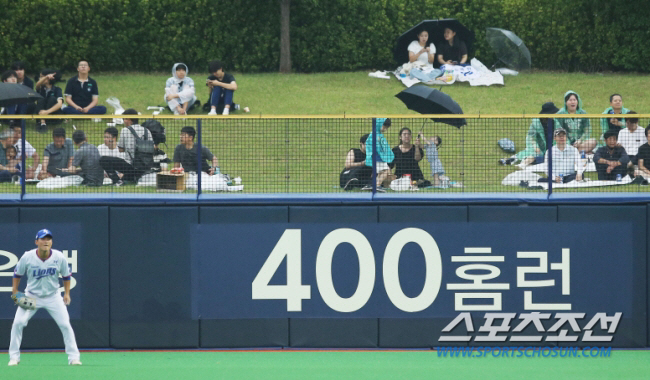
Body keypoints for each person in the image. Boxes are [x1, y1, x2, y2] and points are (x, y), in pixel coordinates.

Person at [8, 229, 81, 366]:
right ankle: (14, 357)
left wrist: (67, 293)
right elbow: (17, 274)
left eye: (48, 239)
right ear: (37, 242)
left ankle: (74, 358)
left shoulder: (59, 257)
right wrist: (15, 291)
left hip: (53, 296)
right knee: (18, 323)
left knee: (65, 325)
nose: (46, 241)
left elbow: (66, 276)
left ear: (51, 242)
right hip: (31, 296)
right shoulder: (28, 256)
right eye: (43, 239)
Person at [101, 109, 151, 185]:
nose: (123, 121)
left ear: (129, 119)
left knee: (103, 159)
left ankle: (117, 181)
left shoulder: (125, 130)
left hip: (131, 167)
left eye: (124, 119)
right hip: (145, 167)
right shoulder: (147, 131)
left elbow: (121, 149)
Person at [501, 102, 559, 167]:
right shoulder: (536, 122)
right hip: (540, 148)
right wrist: (535, 146)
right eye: (553, 113)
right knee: (531, 153)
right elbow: (531, 137)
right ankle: (512, 159)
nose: (555, 114)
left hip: (554, 148)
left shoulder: (557, 121)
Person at [363, 118, 394, 191]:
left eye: (387, 128)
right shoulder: (375, 135)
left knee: (379, 172)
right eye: (384, 126)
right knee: (386, 170)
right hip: (378, 157)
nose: (385, 129)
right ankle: (376, 185)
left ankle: (372, 184)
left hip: (378, 157)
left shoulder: (378, 134)